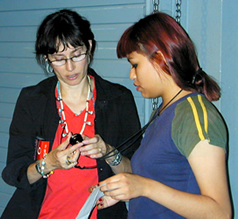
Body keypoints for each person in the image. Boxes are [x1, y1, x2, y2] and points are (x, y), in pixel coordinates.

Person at [1, 9, 141, 219]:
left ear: (90, 47)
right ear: (47, 59)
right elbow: (14, 173)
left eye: (77, 55)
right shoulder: (32, 100)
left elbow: (136, 172)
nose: (69, 67)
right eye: (59, 58)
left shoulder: (118, 99)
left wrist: (108, 151)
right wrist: (49, 163)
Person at [93, 12, 232, 218]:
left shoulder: (194, 116)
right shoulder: (165, 111)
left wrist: (145, 188)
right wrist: (110, 156)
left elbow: (219, 212)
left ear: (159, 59)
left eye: (135, 64)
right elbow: (149, 176)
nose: (131, 75)